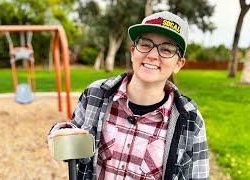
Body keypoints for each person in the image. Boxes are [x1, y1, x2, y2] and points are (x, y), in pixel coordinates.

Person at [48, 11, 209, 180]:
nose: (153, 55)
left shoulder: (190, 120)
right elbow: (73, 136)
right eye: (146, 44)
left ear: (178, 64)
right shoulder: (96, 94)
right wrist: (60, 133)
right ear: (133, 52)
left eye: (167, 49)